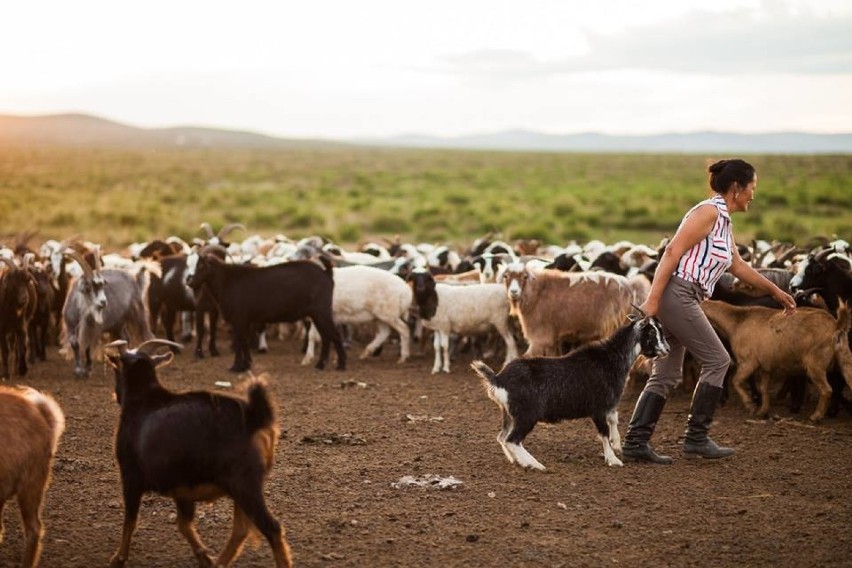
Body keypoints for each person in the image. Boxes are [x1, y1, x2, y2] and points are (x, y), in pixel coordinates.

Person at [621, 159, 797, 464]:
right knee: (718, 360)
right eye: (752, 187)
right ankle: (696, 438)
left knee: (667, 373)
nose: (753, 194)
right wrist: (652, 300)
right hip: (679, 295)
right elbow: (672, 251)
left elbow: (738, 266)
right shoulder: (708, 212)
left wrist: (776, 291)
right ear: (736, 188)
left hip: (686, 297)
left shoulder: (723, 222)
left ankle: (636, 442)